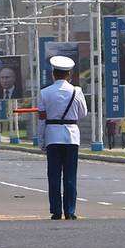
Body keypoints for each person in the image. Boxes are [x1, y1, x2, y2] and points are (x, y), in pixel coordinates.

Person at [37, 55, 88, 221]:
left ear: (53, 74)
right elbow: (83, 113)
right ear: (69, 74)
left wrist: (41, 140)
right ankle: (70, 211)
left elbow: (42, 119)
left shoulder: (44, 93)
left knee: (53, 175)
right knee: (70, 176)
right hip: (71, 136)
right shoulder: (76, 91)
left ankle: (56, 211)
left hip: (52, 136)